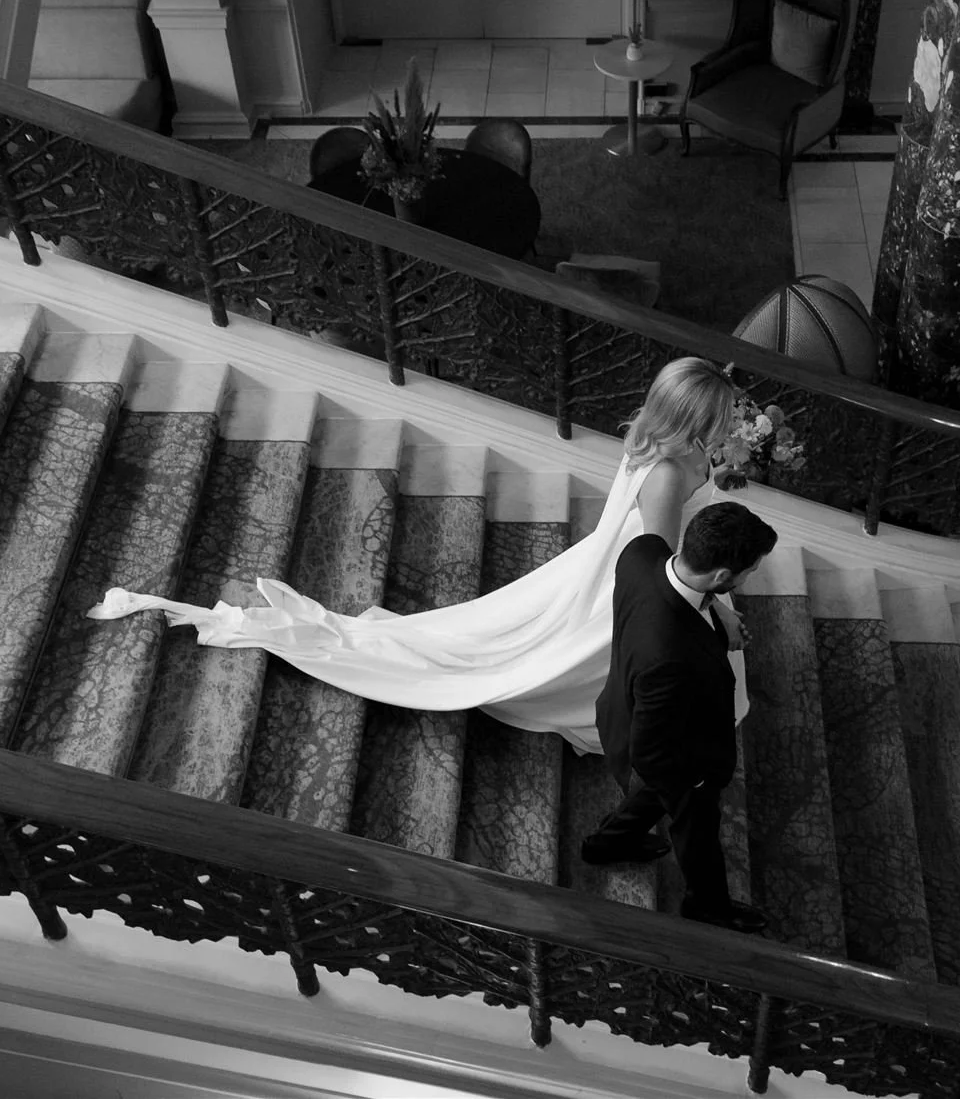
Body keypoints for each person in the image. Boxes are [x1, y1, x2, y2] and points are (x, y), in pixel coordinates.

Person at [85, 357, 749, 752]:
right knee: (570, 662)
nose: (729, 428)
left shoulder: (663, 447)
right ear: (692, 423)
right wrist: (717, 610)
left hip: (609, 565)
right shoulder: (665, 476)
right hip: (626, 585)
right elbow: (670, 569)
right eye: (720, 419)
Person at [581, 502, 777, 933]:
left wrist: (717, 608)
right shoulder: (669, 654)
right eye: (749, 572)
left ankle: (606, 844)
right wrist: (694, 784)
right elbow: (652, 753)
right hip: (680, 751)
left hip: (632, 700)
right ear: (723, 577)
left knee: (654, 796)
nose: (748, 579)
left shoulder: (642, 552)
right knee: (699, 829)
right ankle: (708, 905)